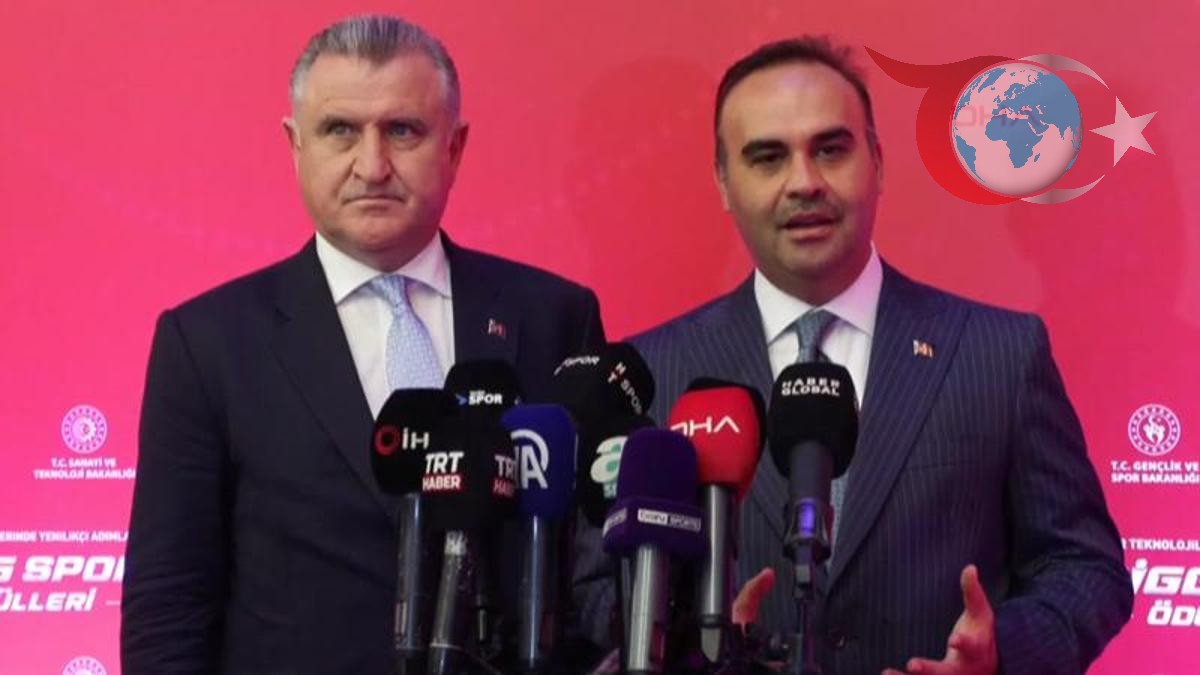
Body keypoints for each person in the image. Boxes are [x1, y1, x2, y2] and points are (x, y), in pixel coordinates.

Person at [628, 37, 1132, 673]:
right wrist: (692, 648)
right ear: (724, 184)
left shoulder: (999, 354)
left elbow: (1084, 567)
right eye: (767, 157)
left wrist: (1001, 650)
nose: (804, 183)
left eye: (831, 149)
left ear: (878, 164)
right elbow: (600, 592)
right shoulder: (654, 375)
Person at [120, 15, 604, 673]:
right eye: (340, 130)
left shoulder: (555, 317)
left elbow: (589, 574)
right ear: (296, 145)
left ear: (455, 147)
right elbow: (167, 609)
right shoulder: (207, 343)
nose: (372, 166)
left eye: (402, 130)